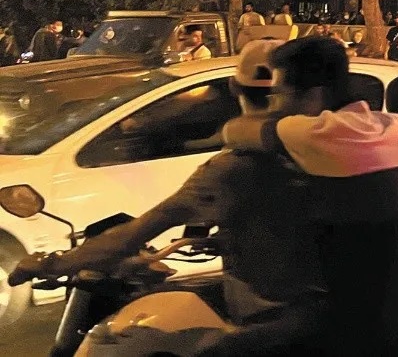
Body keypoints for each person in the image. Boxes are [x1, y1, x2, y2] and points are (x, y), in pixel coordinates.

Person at [8, 40, 326, 356]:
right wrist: (229, 240)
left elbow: (134, 234)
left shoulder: (233, 167)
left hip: (269, 331)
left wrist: (52, 264)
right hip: (308, 317)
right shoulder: (322, 154)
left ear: (233, 88)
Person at [222, 36, 398, 355]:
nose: (274, 105)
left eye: (280, 93)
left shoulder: (316, 132)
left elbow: (235, 131)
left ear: (314, 96)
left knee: (223, 348)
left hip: (361, 332)